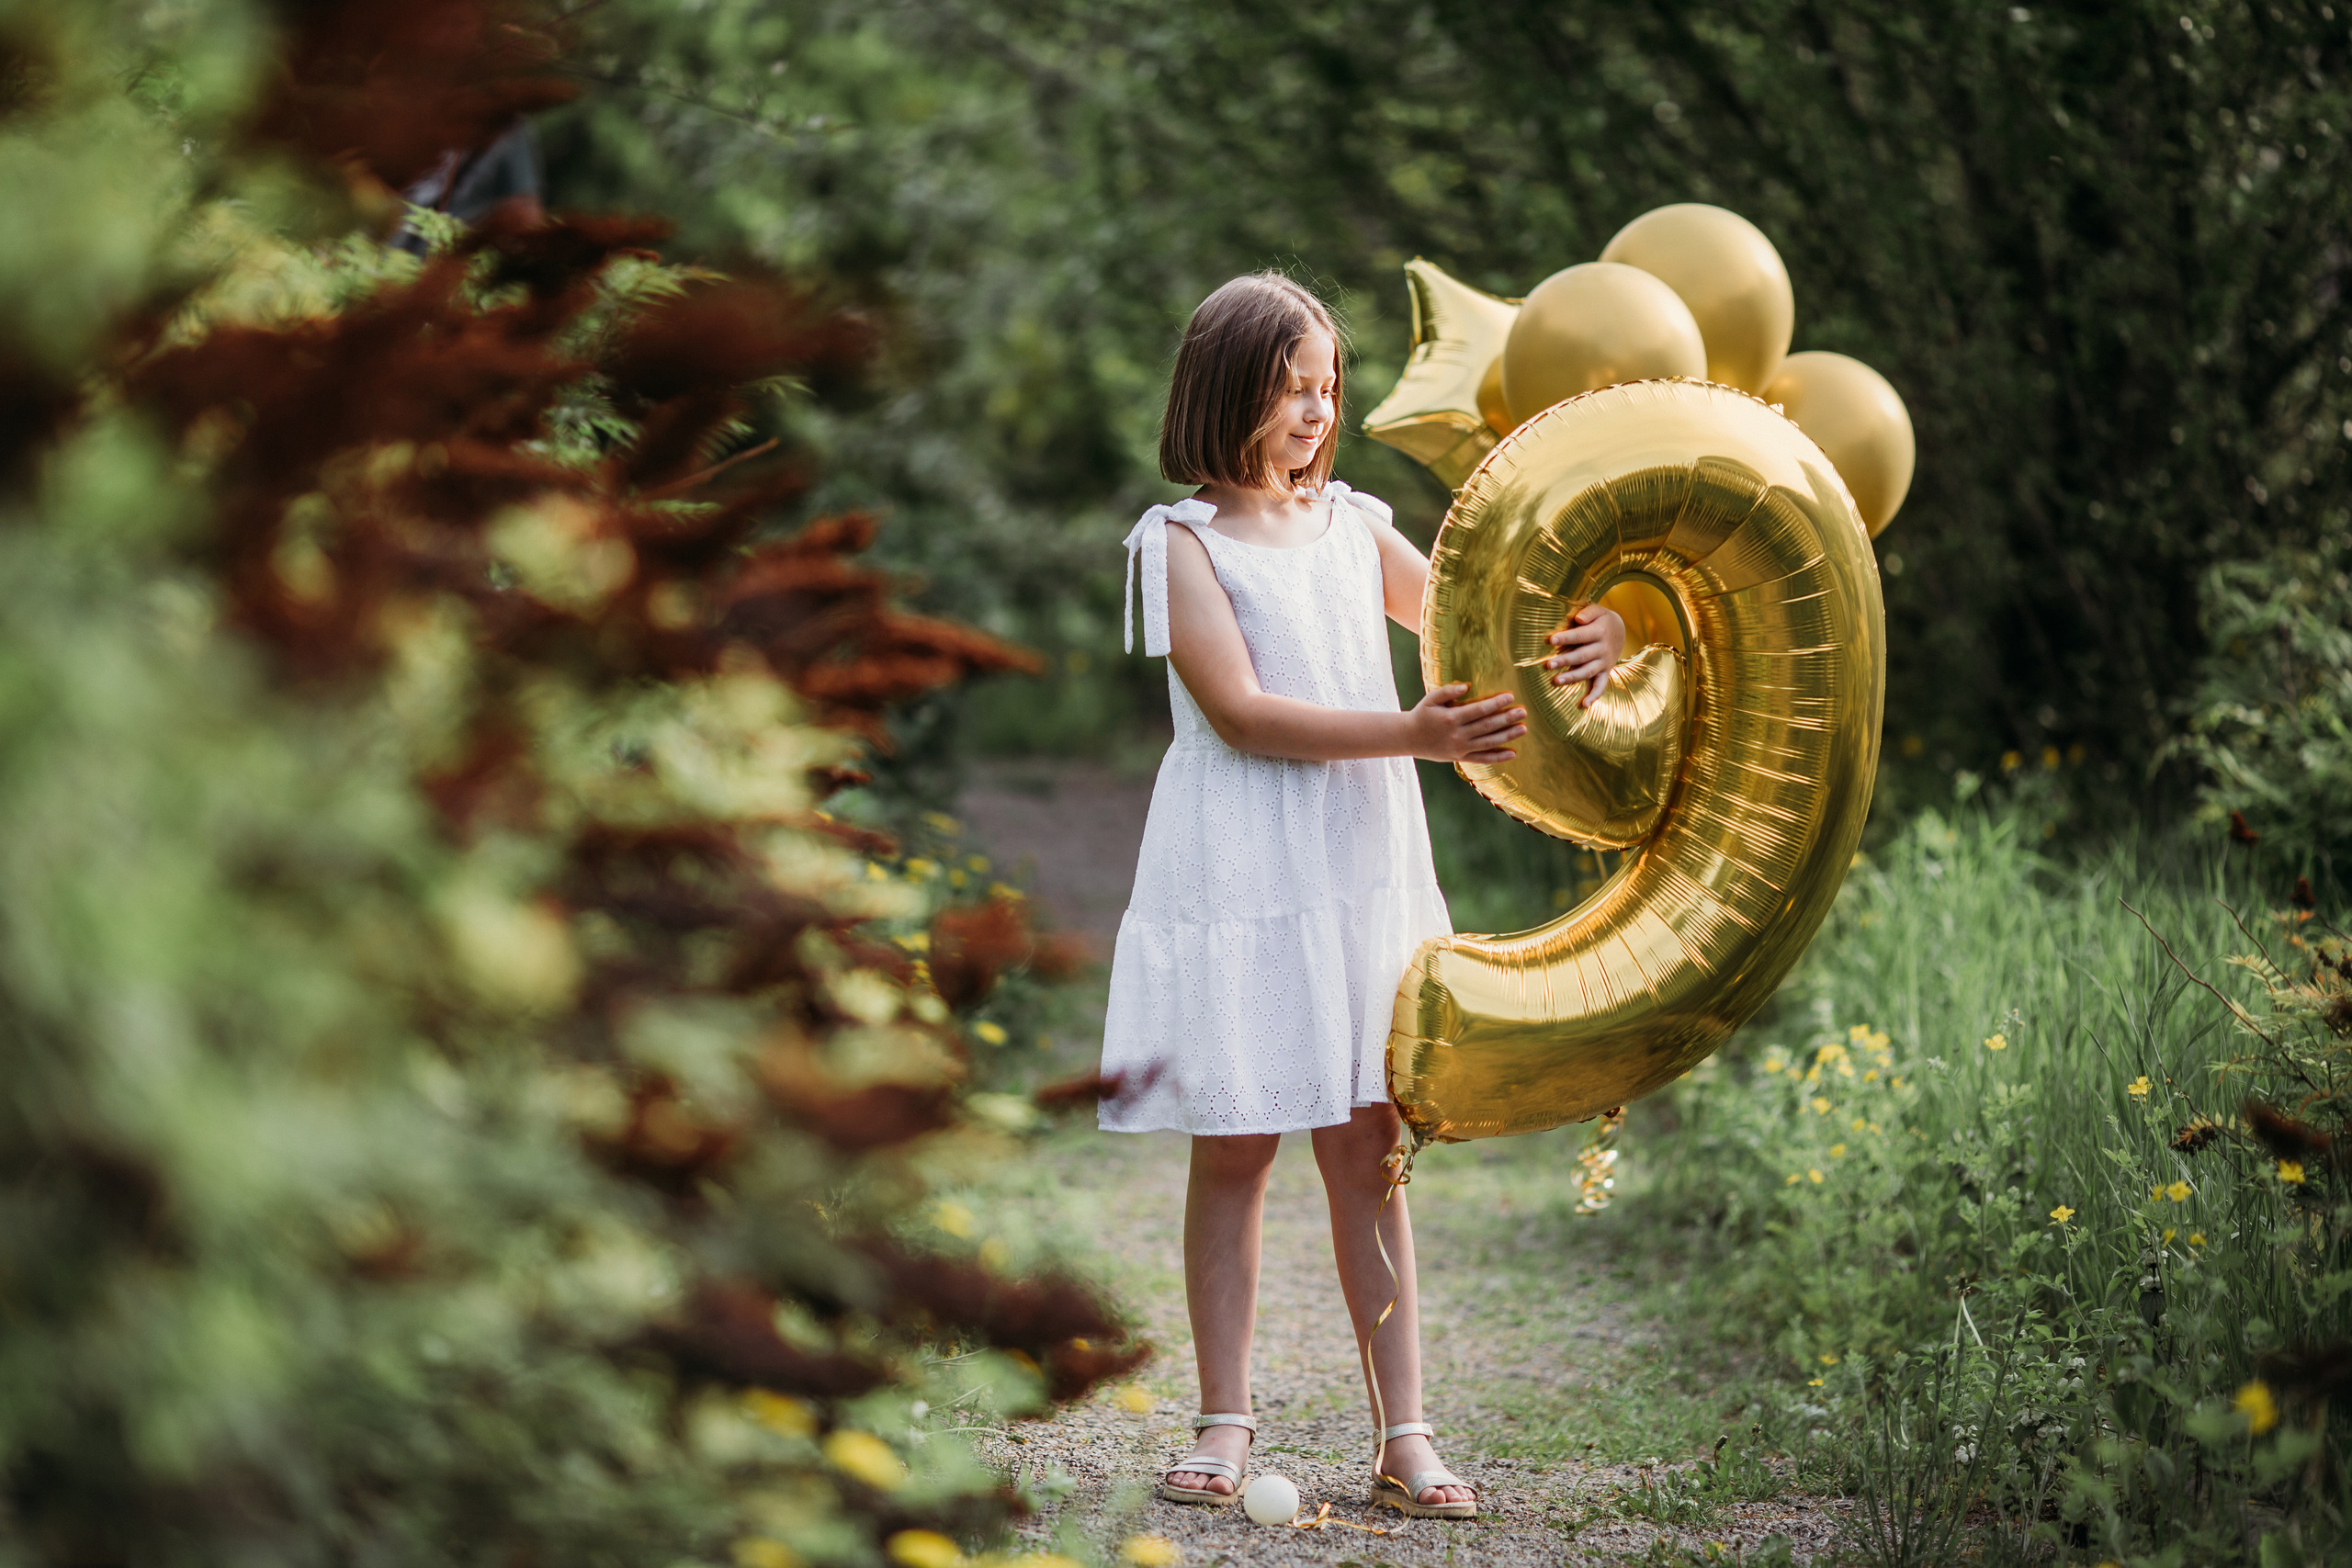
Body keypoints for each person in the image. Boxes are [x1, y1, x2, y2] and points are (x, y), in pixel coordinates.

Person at [1098, 273, 1624, 1520]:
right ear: (1229, 390)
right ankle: (1223, 1423)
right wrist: (1410, 734)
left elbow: (1481, 618)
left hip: (1352, 868)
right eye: (1293, 387)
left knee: (1370, 1147)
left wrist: (1594, 634)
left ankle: (1406, 1431)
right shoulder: (1181, 543)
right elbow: (1241, 712)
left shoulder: (1354, 525)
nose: (1317, 411)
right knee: (1233, 1147)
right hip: (1241, 863)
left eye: (1329, 386)